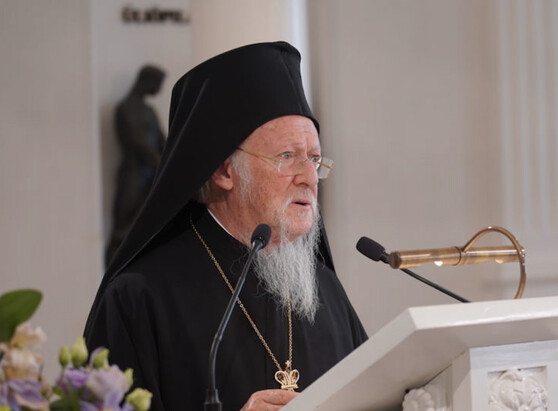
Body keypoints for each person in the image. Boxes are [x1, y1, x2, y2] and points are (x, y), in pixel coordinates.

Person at [84, 42, 367, 411]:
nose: (309, 178)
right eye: (287, 157)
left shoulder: (326, 290)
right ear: (222, 170)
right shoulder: (140, 297)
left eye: (314, 159)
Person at [106, 64, 166, 266]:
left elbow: (162, 141)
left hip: (152, 176)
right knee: (124, 226)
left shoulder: (149, 111)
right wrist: (157, 161)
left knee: (145, 227)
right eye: (157, 84)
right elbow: (135, 141)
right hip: (133, 174)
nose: (158, 90)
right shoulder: (125, 108)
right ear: (146, 81)